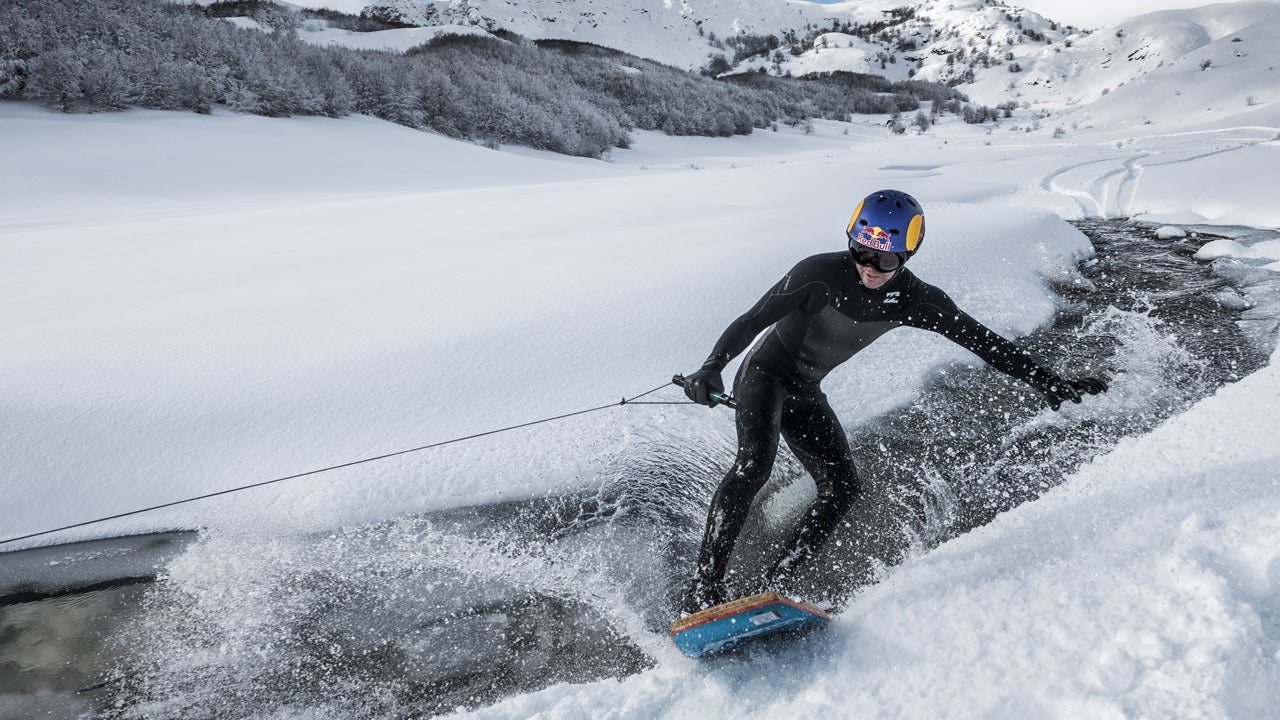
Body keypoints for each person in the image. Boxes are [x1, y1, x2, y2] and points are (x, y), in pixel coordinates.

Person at [678, 189, 1106, 615]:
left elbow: (984, 342)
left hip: (806, 392)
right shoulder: (817, 273)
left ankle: (775, 586)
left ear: (907, 255)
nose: (869, 266)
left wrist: (1047, 381)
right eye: (861, 252)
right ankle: (704, 589)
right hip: (765, 377)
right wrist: (712, 366)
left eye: (883, 260)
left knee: (843, 488)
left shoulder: (916, 300)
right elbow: (753, 319)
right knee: (754, 465)